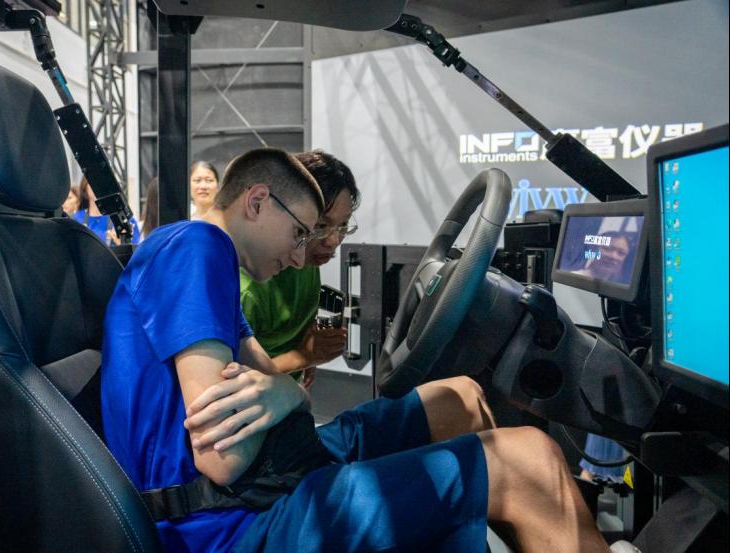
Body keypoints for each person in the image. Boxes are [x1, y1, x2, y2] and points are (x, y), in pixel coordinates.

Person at [101, 147, 617, 553]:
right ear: (257, 202)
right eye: (299, 233)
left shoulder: (210, 265)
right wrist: (285, 394)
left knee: (458, 397)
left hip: (262, 485)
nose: (301, 255)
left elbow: (281, 388)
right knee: (531, 461)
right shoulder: (196, 246)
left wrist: (287, 393)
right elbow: (224, 459)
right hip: (228, 529)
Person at [239, 150, 357, 388]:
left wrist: (307, 358)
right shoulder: (247, 288)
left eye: (343, 225)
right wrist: (303, 357)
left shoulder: (306, 257)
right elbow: (222, 381)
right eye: (320, 226)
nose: (333, 241)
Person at [73, 176, 140, 245]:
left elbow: (135, 249)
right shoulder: (76, 219)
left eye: (102, 182)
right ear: (85, 187)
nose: (98, 186)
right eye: (94, 181)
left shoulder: (123, 218)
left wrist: (122, 243)